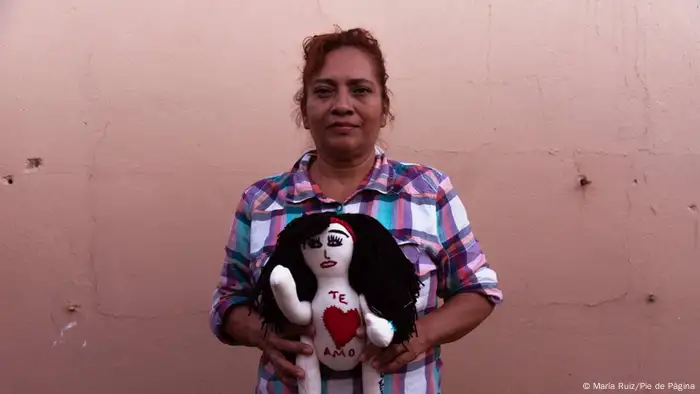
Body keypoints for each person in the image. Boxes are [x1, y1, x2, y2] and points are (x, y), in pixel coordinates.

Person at [209, 26, 503, 394]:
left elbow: (478, 290)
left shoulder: (427, 191)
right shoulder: (262, 200)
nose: (342, 105)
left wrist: (419, 335)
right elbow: (227, 301)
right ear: (304, 110)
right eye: (324, 91)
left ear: (384, 109)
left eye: (361, 90)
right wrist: (263, 332)